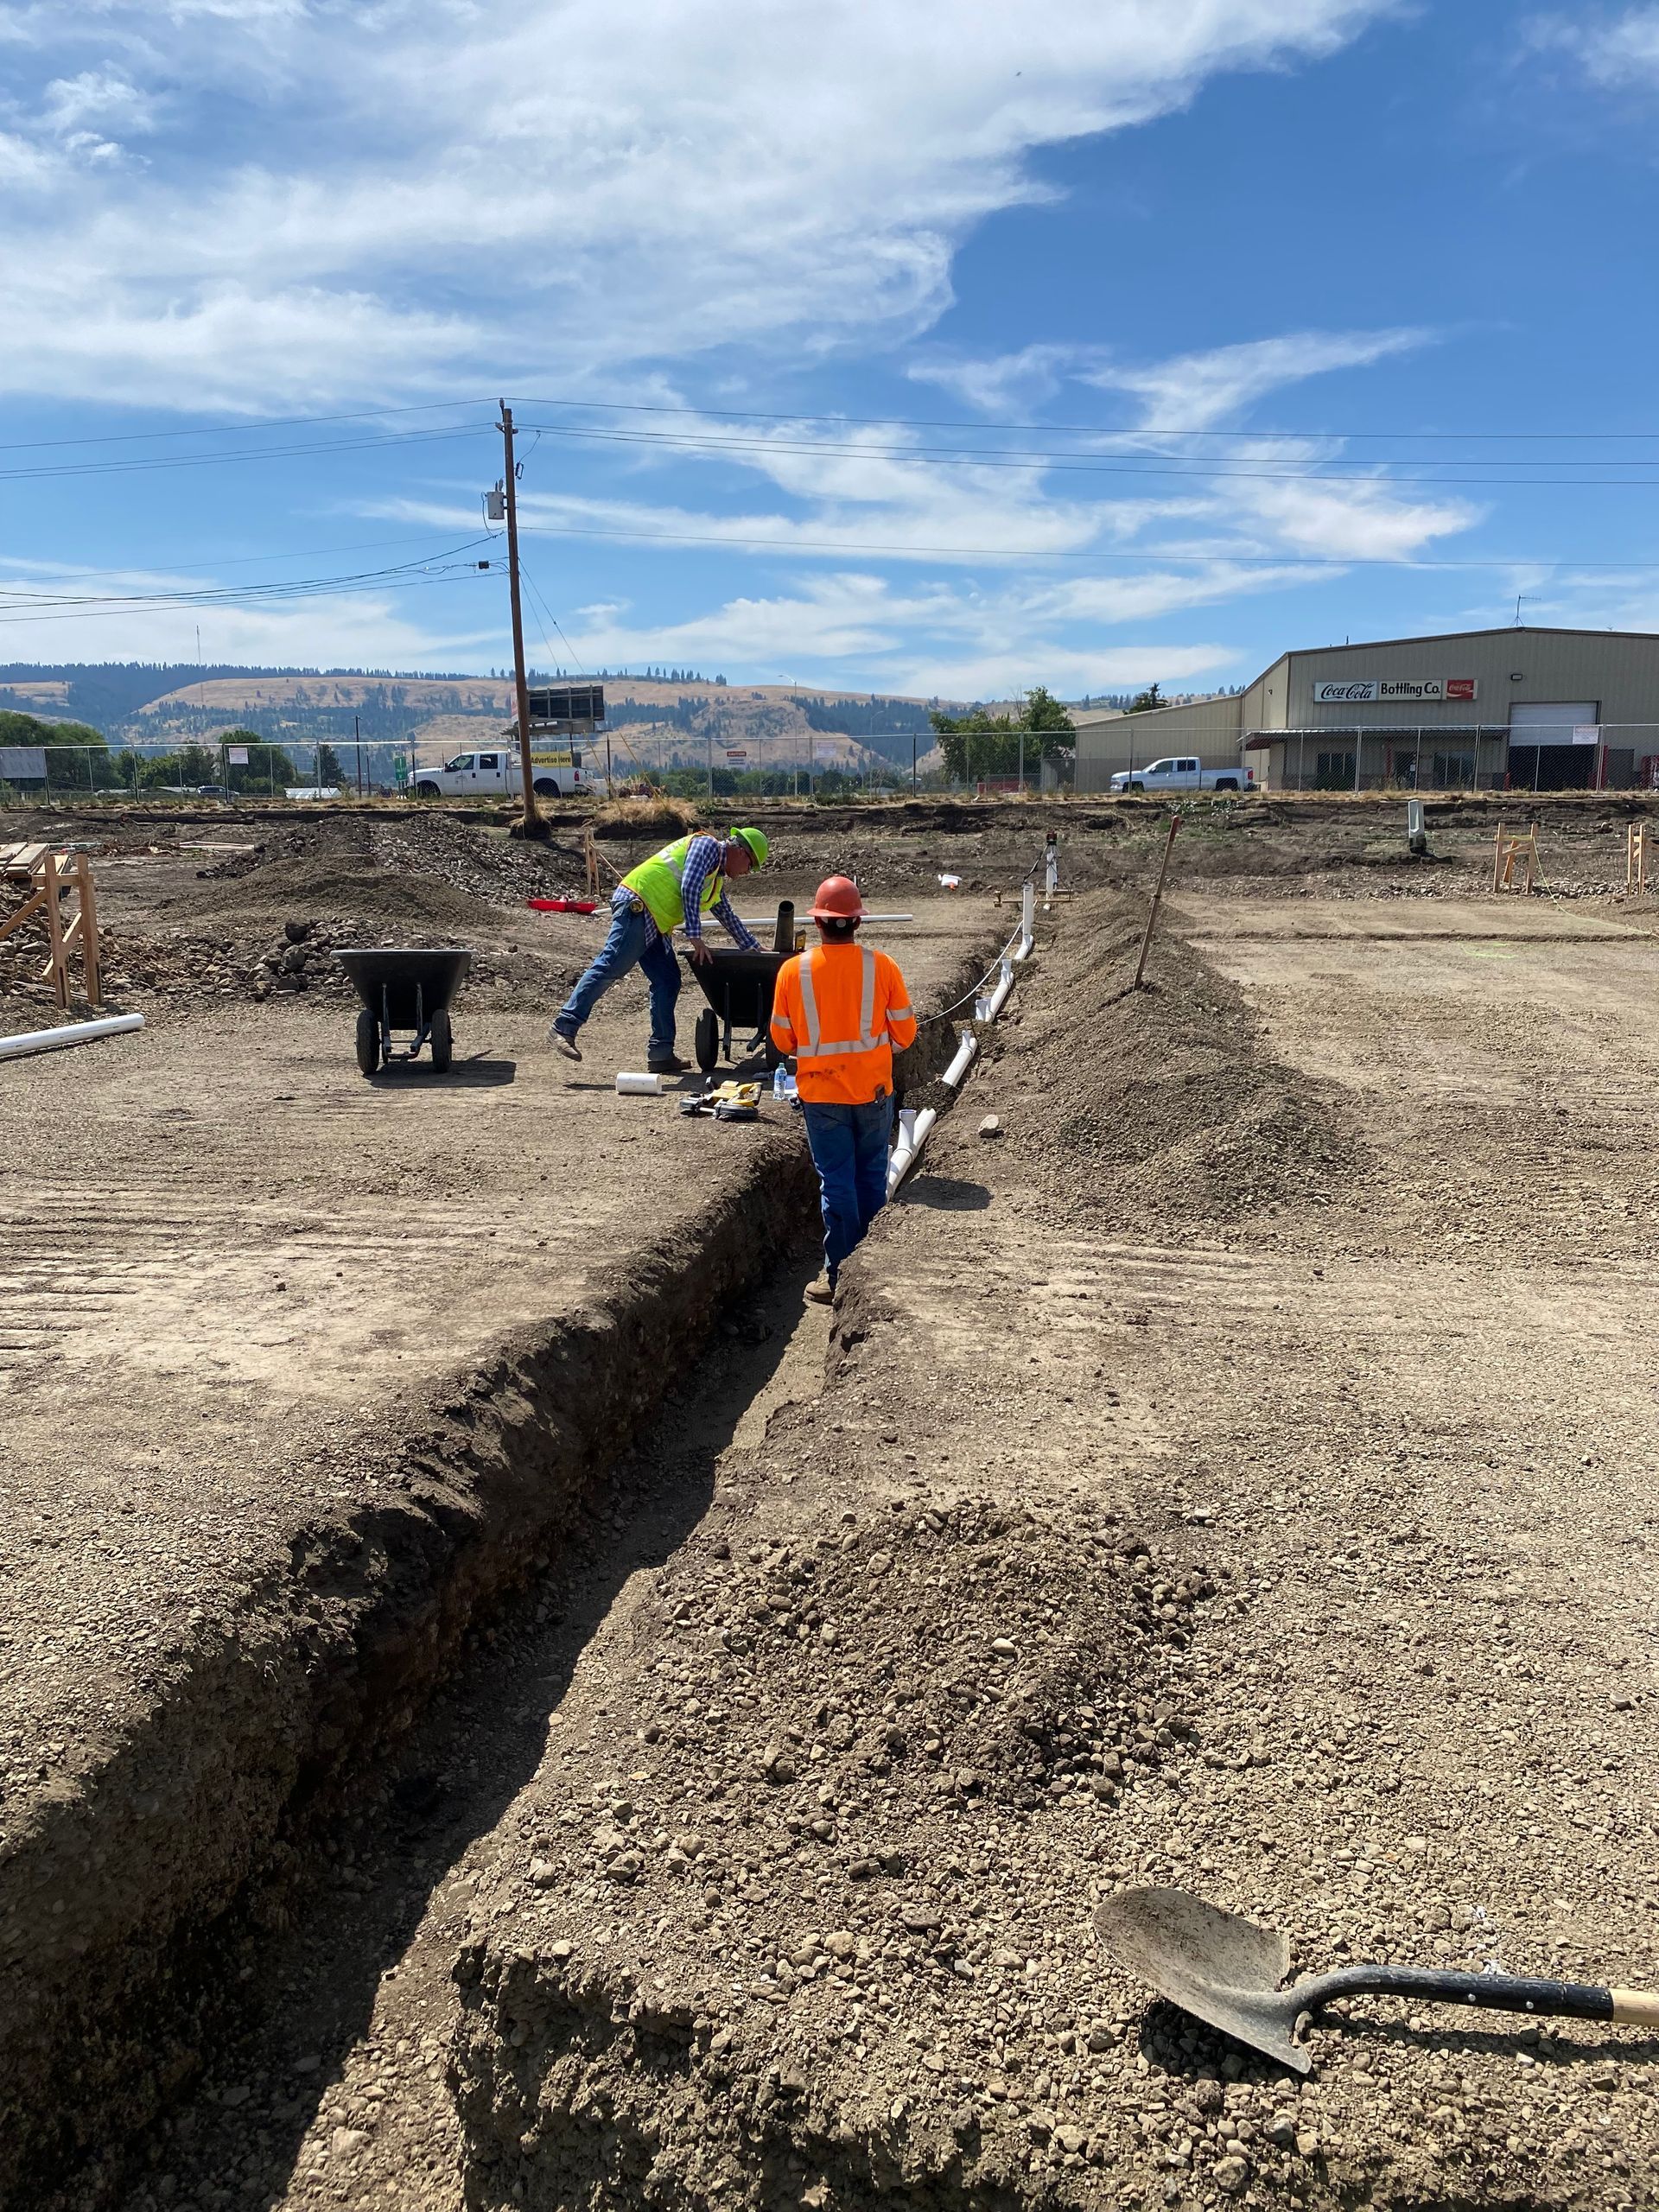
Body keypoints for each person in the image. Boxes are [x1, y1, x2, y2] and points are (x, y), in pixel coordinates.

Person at [770, 875, 916, 1305]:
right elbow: (905, 1034)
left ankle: (840, 1276)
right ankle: (868, 1272)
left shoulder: (792, 971)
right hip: (872, 1092)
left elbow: (782, 1040)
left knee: (836, 1183)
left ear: (818, 923)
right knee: (871, 1175)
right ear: (856, 923)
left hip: (821, 1096)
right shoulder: (882, 966)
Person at [550, 827, 768, 1072]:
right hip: (637, 905)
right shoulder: (707, 847)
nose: (747, 872)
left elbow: (726, 914)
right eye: (750, 865)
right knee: (612, 965)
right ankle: (564, 1027)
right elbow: (689, 887)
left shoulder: (716, 878)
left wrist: (753, 947)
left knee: (668, 980)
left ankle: (661, 1053)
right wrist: (695, 938)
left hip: (654, 919)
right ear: (740, 851)